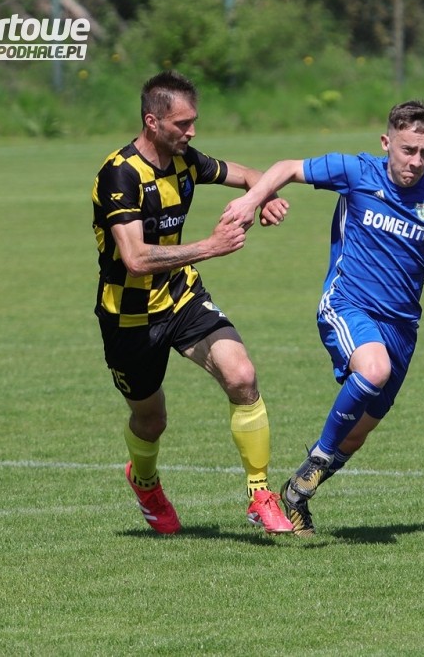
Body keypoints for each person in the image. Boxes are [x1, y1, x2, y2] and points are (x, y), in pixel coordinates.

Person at [222, 99, 424, 536]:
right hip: (347, 304)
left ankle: (297, 493)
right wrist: (252, 199)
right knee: (374, 369)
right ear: (387, 142)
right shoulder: (356, 172)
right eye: (408, 150)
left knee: (356, 435)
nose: (416, 161)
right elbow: (288, 167)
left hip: (402, 325)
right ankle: (317, 459)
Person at [91, 70, 294, 535]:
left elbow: (246, 174)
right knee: (151, 420)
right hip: (129, 315)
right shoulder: (120, 173)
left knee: (241, 375)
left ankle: (260, 494)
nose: (192, 132)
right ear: (152, 121)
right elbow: (135, 258)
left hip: (181, 296)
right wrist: (210, 246)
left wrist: (261, 197)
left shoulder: (185, 160)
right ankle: (145, 483)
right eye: (182, 124)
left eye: (193, 121)